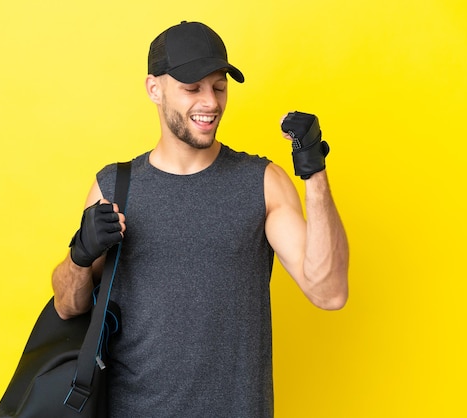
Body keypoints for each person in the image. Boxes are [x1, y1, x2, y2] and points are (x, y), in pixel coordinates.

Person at [52, 21, 349, 418]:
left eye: (219, 87)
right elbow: (67, 307)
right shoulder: (114, 187)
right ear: (154, 89)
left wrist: (315, 173)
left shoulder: (261, 182)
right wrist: (80, 256)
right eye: (192, 88)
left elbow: (329, 292)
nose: (210, 102)